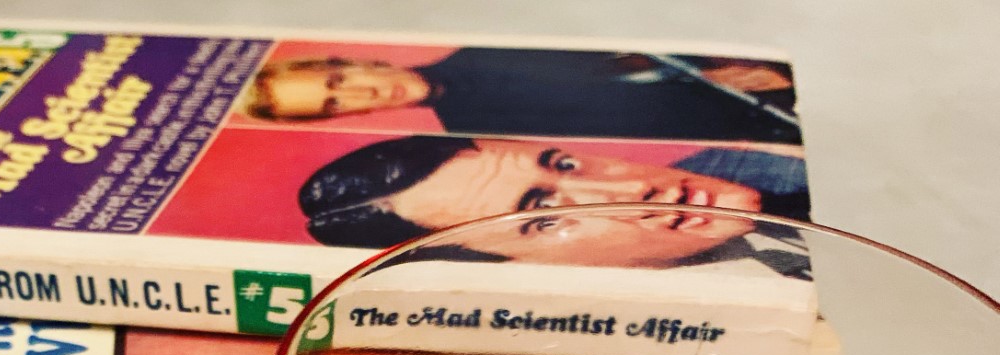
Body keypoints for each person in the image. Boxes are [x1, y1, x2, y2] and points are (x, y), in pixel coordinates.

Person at [299, 135, 811, 273]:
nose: (627, 192)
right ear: (517, 267)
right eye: (545, 218)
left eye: (564, 164)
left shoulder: (770, 159)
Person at [248, 48, 801, 146]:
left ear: (348, 61)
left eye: (337, 80)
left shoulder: (485, 45)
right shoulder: (480, 136)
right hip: (770, 125)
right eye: (335, 104)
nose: (362, 92)